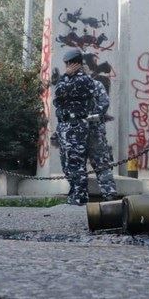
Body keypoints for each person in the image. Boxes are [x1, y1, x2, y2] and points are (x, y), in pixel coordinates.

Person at [54, 49, 95, 205]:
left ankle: (80, 197)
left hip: (75, 126)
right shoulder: (70, 79)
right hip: (65, 125)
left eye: (68, 64)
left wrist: (65, 77)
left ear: (75, 63)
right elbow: (57, 99)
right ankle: (74, 194)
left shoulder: (83, 80)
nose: (66, 67)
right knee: (66, 164)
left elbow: (60, 91)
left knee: (75, 163)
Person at [87, 78, 118, 201]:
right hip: (77, 133)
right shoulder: (69, 85)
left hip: (95, 131)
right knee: (76, 164)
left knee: (101, 163)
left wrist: (87, 117)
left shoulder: (95, 84)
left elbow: (104, 103)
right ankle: (79, 194)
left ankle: (109, 193)